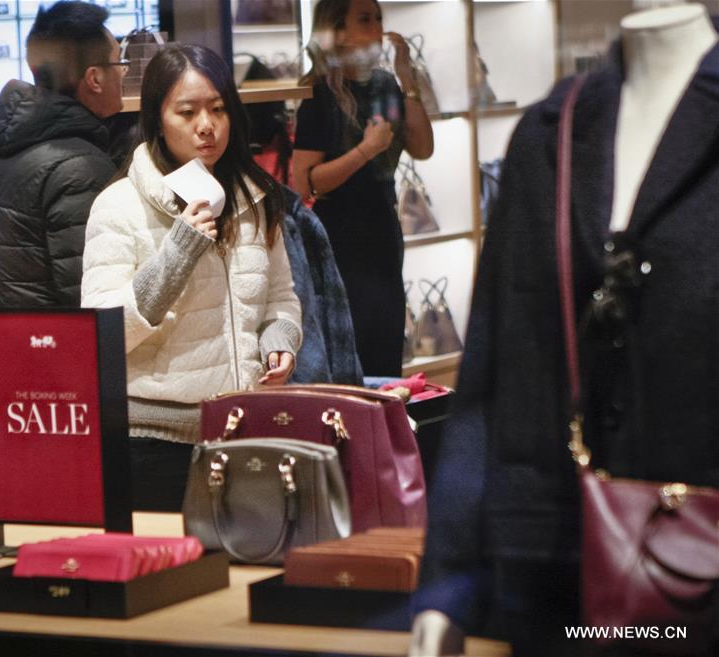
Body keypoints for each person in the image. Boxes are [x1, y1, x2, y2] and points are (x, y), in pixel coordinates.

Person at [411, 4, 719, 656]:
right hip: (553, 565)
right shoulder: (550, 136)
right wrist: (449, 586)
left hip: (704, 568)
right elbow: (490, 376)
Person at [81, 44, 302, 511]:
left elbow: (281, 296)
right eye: (188, 111)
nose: (207, 125)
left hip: (244, 429)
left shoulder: (255, 198)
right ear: (158, 119)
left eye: (218, 109)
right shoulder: (119, 205)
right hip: (155, 443)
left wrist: (279, 336)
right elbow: (99, 334)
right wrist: (176, 253)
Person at [292, 0, 433, 377]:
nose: (377, 28)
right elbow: (305, 182)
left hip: (383, 235)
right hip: (339, 241)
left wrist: (408, 79)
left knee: (385, 348)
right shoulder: (318, 93)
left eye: (379, 19)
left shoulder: (384, 84)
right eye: (365, 20)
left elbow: (422, 147)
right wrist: (366, 150)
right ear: (338, 32)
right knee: (348, 352)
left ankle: (384, 433)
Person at [0, 0, 123, 307]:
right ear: (95, 79)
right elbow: (89, 298)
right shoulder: (82, 167)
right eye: (119, 63)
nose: (124, 73)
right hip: (50, 350)